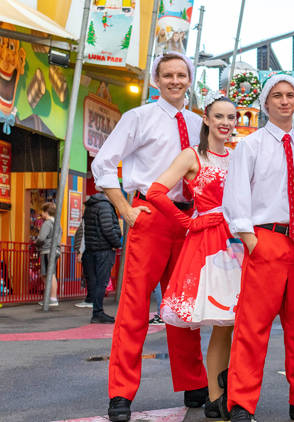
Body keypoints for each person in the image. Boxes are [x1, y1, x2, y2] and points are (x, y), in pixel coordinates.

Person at [91, 51, 208, 422]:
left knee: (185, 307)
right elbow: (102, 164)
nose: (175, 80)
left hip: (189, 221)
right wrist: (125, 210)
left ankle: (194, 382)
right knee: (134, 308)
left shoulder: (198, 122)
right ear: (156, 80)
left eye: (181, 74)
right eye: (168, 74)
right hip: (150, 217)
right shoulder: (137, 117)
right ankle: (121, 393)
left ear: (190, 78)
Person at [223, 74, 294, 422]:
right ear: (265, 103)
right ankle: (241, 402)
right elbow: (236, 192)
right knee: (253, 327)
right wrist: (249, 238)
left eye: (290, 95)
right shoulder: (250, 146)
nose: (284, 101)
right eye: (277, 96)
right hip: (265, 238)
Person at [147, 91, 241, 420]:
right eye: (220, 117)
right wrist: (188, 221)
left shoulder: (237, 155)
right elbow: (155, 191)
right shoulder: (191, 157)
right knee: (218, 317)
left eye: (232, 118)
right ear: (206, 119)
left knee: (231, 323)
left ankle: (224, 393)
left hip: (238, 242)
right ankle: (216, 398)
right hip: (208, 244)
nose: (226, 123)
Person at [81, 192, 122, 323]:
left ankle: (97, 311)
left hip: (91, 249)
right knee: (102, 282)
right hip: (103, 249)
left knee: (94, 282)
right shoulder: (105, 206)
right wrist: (117, 244)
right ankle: (98, 312)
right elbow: (108, 228)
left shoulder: (90, 206)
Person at [35, 202, 61, 306]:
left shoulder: (47, 223)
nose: (41, 214)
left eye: (42, 211)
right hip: (55, 250)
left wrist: (36, 244)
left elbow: (41, 238)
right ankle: (51, 297)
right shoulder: (57, 223)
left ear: (46, 212)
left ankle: (52, 298)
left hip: (47, 250)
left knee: (48, 274)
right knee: (49, 274)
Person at [73, 217, 93, 309]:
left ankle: (90, 299)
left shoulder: (87, 219)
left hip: (88, 251)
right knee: (90, 276)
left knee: (89, 276)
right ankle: (91, 299)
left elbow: (84, 237)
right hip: (92, 250)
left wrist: (80, 251)